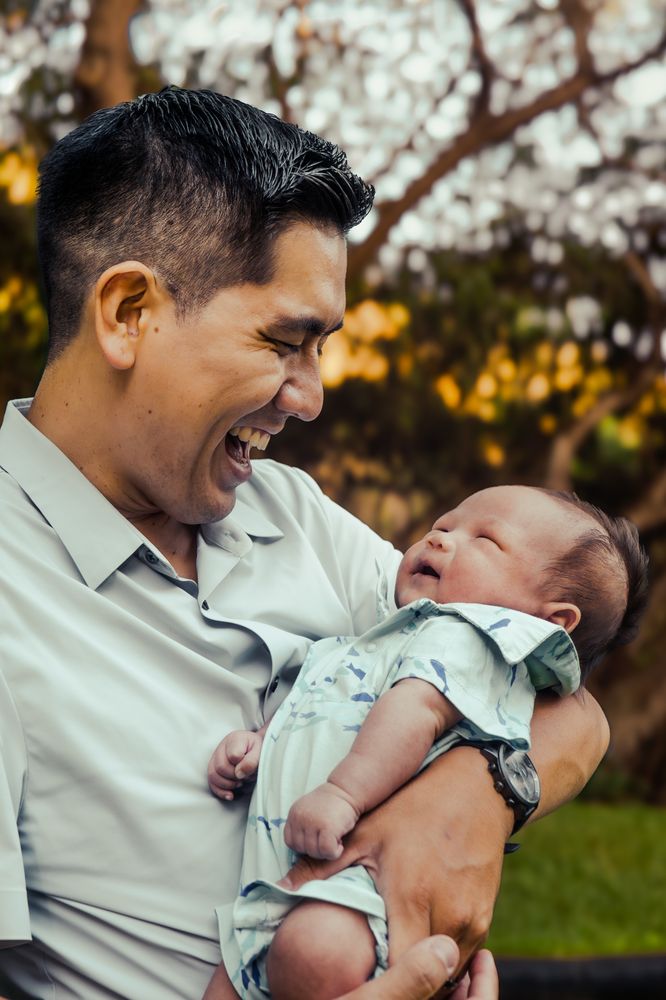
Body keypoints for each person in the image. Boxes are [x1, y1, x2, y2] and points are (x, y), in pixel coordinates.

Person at [0, 87, 611, 1000]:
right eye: (286, 342)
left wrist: (474, 801)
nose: (311, 396)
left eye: (321, 347)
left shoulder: (291, 512)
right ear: (129, 312)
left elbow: (567, 704)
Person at [205, 485, 647, 999]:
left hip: (358, 886)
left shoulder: (470, 638)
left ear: (548, 623)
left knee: (314, 951)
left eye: (486, 539)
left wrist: (344, 794)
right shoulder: (392, 636)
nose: (440, 538)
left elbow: (414, 713)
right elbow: (328, 704)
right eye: (444, 523)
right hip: (288, 880)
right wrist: (265, 744)